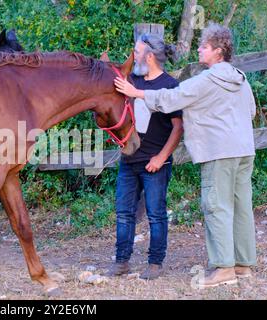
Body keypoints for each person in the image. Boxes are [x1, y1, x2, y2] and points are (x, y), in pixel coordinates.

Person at [114, 23, 257, 288]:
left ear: (217, 51)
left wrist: (137, 93)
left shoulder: (207, 79)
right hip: (244, 150)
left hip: (219, 151)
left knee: (216, 206)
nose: (199, 50)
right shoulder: (240, 77)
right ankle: (243, 264)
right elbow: (250, 111)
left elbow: (172, 99)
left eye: (203, 46)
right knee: (240, 207)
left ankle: (224, 268)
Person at [106, 34, 183, 280]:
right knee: (124, 212)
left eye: (137, 51)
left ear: (149, 56)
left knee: (156, 213)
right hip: (129, 160)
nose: (133, 55)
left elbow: (178, 128)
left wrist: (161, 157)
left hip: (155, 163)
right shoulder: (132, 80)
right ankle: (122, 261)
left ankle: (155, 262)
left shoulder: (169, 85)